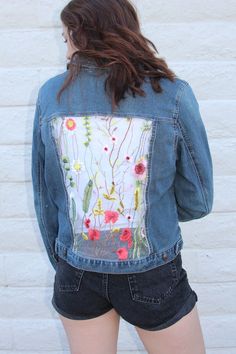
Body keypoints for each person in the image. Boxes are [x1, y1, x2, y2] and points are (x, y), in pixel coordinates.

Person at [31, 1, 214, 353]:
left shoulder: (51, 96)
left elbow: (46, 196)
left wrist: (68, 259)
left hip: (76, 271)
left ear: (81, 34)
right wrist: (152, 213)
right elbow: (199, 200)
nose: (66, 48)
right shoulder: (171, 94)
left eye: (67, 37)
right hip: (152, 270)